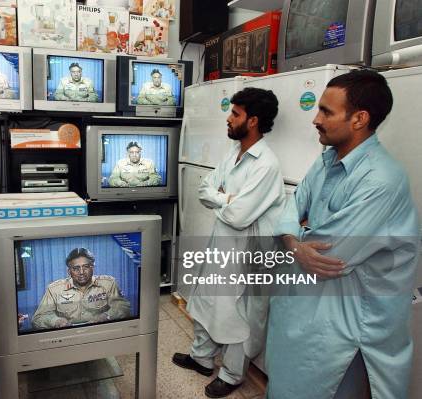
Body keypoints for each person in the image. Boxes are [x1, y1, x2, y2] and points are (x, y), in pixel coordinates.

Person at [267, 70, 420, 399]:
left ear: (359, 119)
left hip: (349, 332)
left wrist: (295, 237)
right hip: (306, 315)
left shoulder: (382, 180)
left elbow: (331, 256)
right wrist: (296, 240)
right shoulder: (326, 160)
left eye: (326, 111)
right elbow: (291, 208)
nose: (316, 119)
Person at [172, 87, 285, 398]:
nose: (229, 117)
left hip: (247, 253)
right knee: (208, 300)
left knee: (238, 314)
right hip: (222, 244)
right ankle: (201, 358)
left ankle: (233, 374)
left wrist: (224, 201)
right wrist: (227, 198)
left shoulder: (266, 165)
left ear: (253, 121)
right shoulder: (234, 154)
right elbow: (204, 190)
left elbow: (238, 215)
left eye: (235, 113)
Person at [32, 248, 131, 329]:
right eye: (76, 268)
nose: (81, 272)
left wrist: (106, 316)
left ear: (92, 267)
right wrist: (56, 321)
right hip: (68, 338)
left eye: (86, 267)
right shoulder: (54, 289)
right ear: (69, 271)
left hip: (100, 334)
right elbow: (38, 318)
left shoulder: (108, 284)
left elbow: (123, 307)